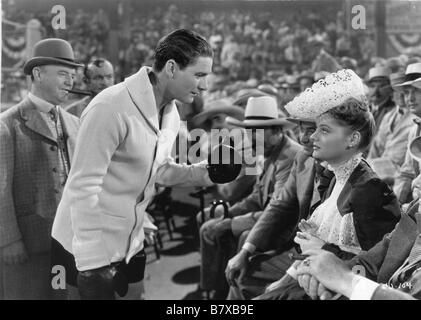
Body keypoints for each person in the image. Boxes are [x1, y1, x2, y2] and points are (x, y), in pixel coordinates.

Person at [51, 29, 242, 300]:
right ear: (172, 68)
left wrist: (206, 172)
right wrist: (92, 262)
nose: (205, 87)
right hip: (82, 246)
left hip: (130, 241)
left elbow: (159, 169)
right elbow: (84, 186)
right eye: (199, 75)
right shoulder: (110, 106)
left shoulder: (171, 112)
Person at [233, 69, 401, 300]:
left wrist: (315, 268)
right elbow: (286, 212)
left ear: (352, 139)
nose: (310, 138)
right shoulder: (336, 178)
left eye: (322, 130)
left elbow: (375, 268)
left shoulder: (369, 189)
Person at [0, 38, 82, 299]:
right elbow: (0, 190)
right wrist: (9, 240)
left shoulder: (74, 122)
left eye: (72, 75)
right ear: (37, 74)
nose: (70, 82)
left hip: (69, 242)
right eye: (62, 74)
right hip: (27, 245)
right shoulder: (7, 125)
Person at [199, 96, 301, 299]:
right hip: (268, 218)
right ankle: (215, 288)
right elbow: (257, 196)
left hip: (287, 229)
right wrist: (228, 212)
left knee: (227, 232)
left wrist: (229, 221)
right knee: (212, 222)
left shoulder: (288, 157)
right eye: (249, 131)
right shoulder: (268, 151)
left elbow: (276, 211)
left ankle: (220, 290)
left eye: (258, 131)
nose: (251, 138)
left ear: (277, 131)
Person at [225, 110, 333, 301]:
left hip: (325, 260)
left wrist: (286, 279)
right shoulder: (303, 158)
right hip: (298, 247)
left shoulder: (342, 169)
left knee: (246, 273)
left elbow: (328, 242)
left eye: (312, 131)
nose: (305, 138)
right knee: (243, 269)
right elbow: (278, 205)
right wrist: (245, 251)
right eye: (302, 130)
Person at [295, 197, 421, 300]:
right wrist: (325, 275)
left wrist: (347, 281)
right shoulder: (417, 206)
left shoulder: (369, 189)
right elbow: (370, 263)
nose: (416, 181)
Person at [367, 71, 415, 184]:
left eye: (405, 92)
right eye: (395, 91)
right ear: (391, 93)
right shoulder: (389, 116)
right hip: (380, 172)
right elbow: (376, 147)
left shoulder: (416, 118)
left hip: (400, 177)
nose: (400, 95)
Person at [393, 64, 421, 204]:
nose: (409, 98)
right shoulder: (414, 129)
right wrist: (395, 205)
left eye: (416, 91)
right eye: (406, 92)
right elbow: (406, 172)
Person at [366, 66, 395, 131]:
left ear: (390, 89)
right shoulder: (364, 109)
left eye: (381, 86)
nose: (376, 91)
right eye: (372, 86)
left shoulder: (393, 110)